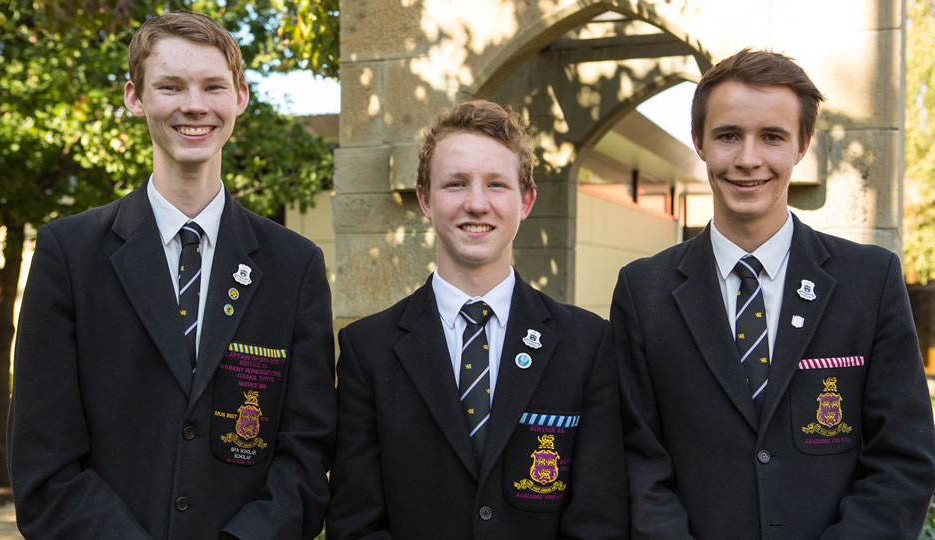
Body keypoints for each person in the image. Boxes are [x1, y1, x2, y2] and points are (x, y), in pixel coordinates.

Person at [7, 11, 335, 539]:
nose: (194, 105)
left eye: (213, 86)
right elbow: (43, 463)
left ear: (240, 98)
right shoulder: (67, 255)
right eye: (170, 86)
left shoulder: (294, 266)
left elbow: (307, 453)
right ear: (135, 97)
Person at [611, 48, 935, 539]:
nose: (747, 159)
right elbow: (638, 462)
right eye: (727, 136)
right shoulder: (643, 291)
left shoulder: (870, 281)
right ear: (698, 141)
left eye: (771, 137)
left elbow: (903, 459)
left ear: (802, 144)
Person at [326, 100, 628, 539]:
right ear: (425, 199)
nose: (476, 203)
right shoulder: (366, 349)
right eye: (455, 183)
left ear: (526, 201)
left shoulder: (588, 344)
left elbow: (599, 520)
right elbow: (355, 521)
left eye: (496, 184)